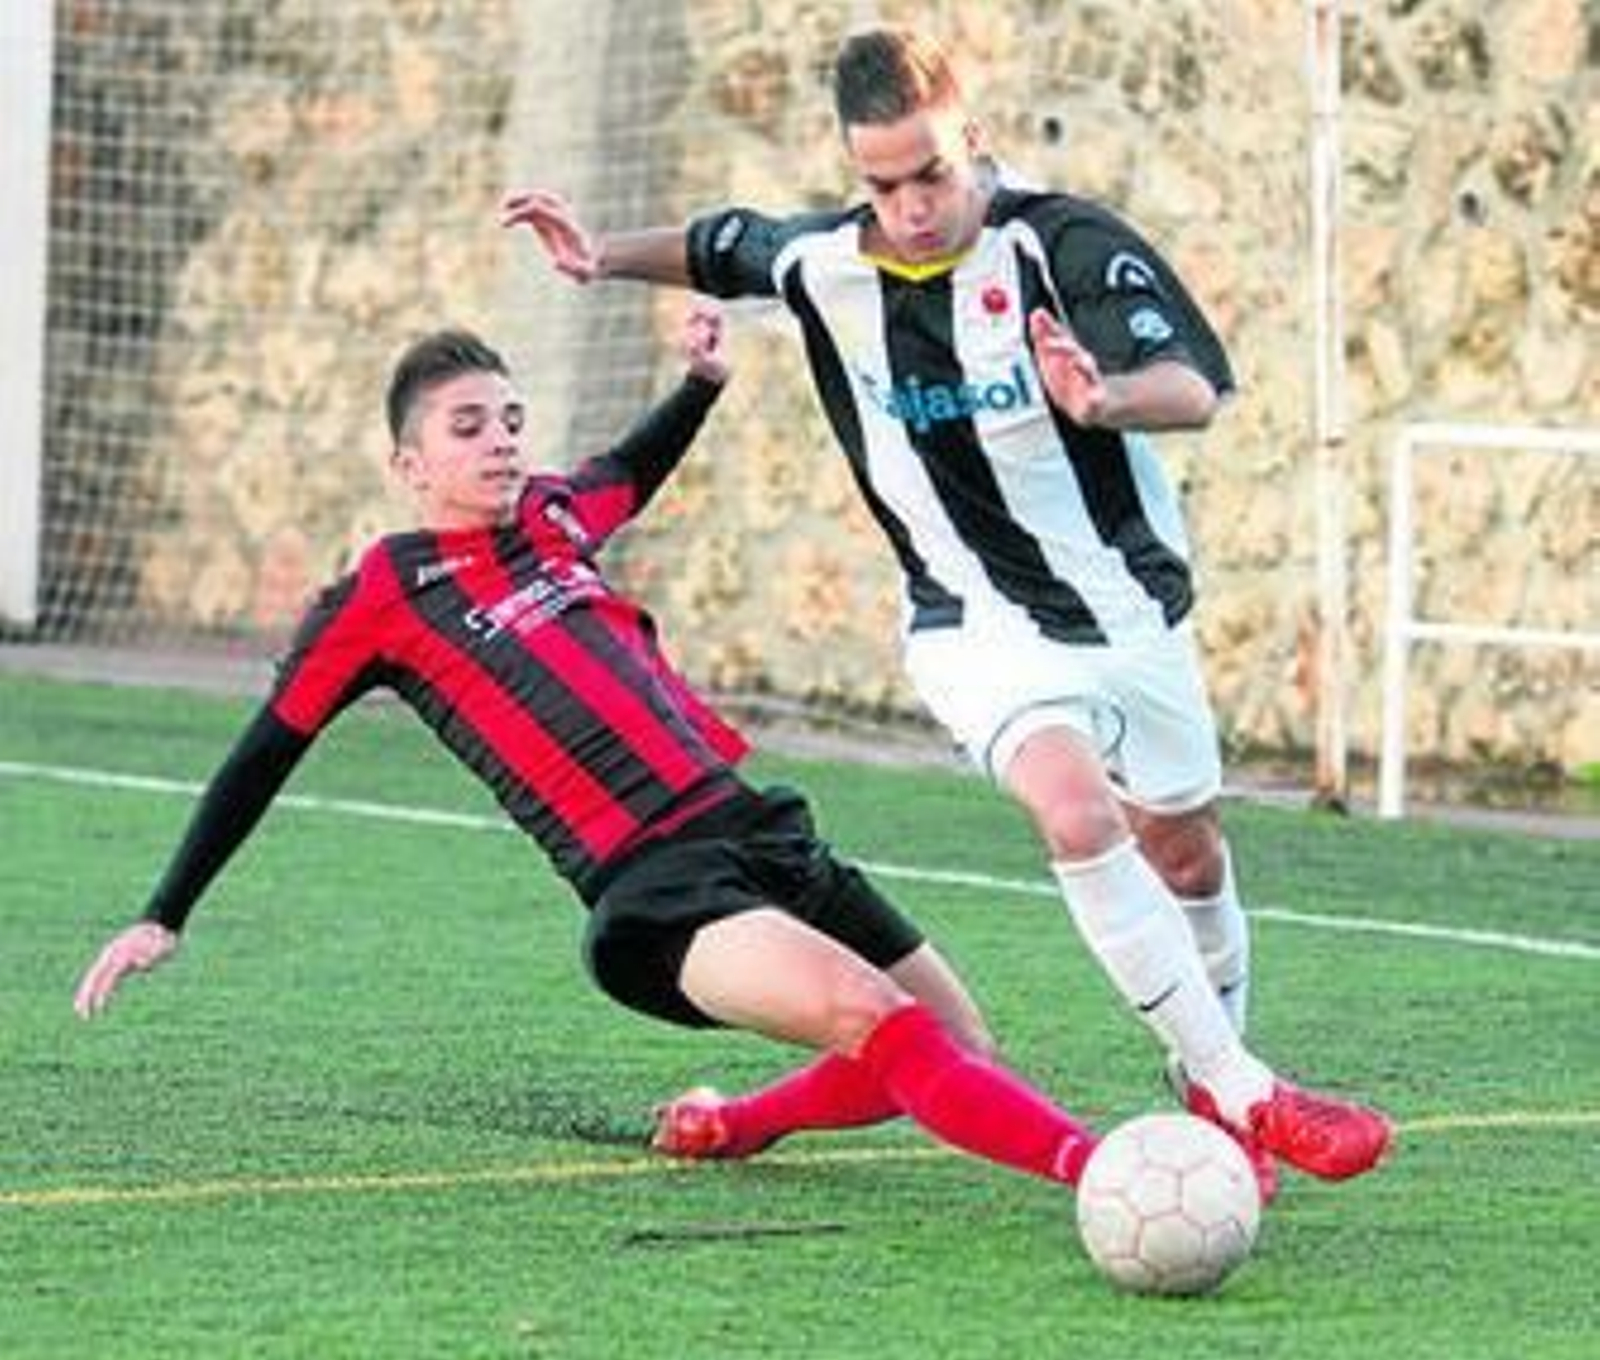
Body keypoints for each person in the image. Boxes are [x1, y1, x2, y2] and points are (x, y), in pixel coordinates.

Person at [500, 26, 1393, 1197]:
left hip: (1126, 613)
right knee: (1076, 814)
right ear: (853, 173)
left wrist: (1104, 397)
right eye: (882, 183)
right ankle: (1243, 1091)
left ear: (970, 139)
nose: (912, 205)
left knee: (1184, 848)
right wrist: (600, 254)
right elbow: (724, 244)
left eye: (930, 174)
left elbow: (1195, 387)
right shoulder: (826, 263)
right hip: (970, 625)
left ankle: (1204, 1074)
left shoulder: (1061, 241)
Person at [73, 305, 1103, 1190]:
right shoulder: (386, 593)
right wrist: (164, 911)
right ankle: (1099, 1168)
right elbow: (264, 752)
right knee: (871, 1013)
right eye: (468, 426)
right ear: (409, 464)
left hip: (753, 825)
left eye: (511, 421)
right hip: (658, 890)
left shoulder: (552, 517)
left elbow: (629, 470)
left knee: (961, 1044)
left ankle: (734, 1122)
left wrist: (700, 381)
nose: (500, 441)